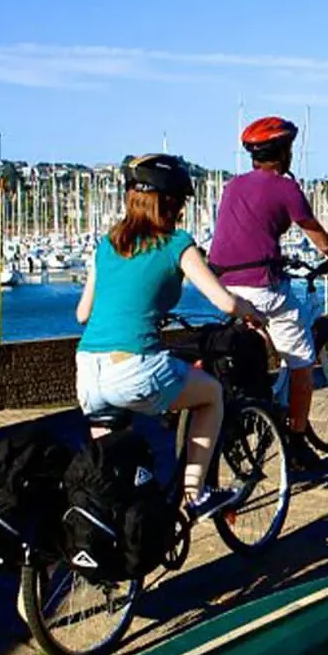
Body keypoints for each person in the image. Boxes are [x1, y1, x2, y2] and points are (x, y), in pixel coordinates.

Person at [75, 153, 263, 516]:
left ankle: (115, 536)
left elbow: (82, 313)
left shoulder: (108, 243)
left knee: (110, 478)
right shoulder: (177, 243)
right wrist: (250, 313)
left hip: (87, 373)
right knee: (211, 394)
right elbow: (223, 302)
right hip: (132, 368)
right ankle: (196, 495)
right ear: (172, 202)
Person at [207, 116, 328, 467]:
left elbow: (243, 235)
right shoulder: (286, 188)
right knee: (300, 360)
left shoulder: (233, 186)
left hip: (223, 285)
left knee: (251, 345)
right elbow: (321, 240)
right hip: (263, 288)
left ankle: (252, 410)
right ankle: (296, 442)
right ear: (284, 152)